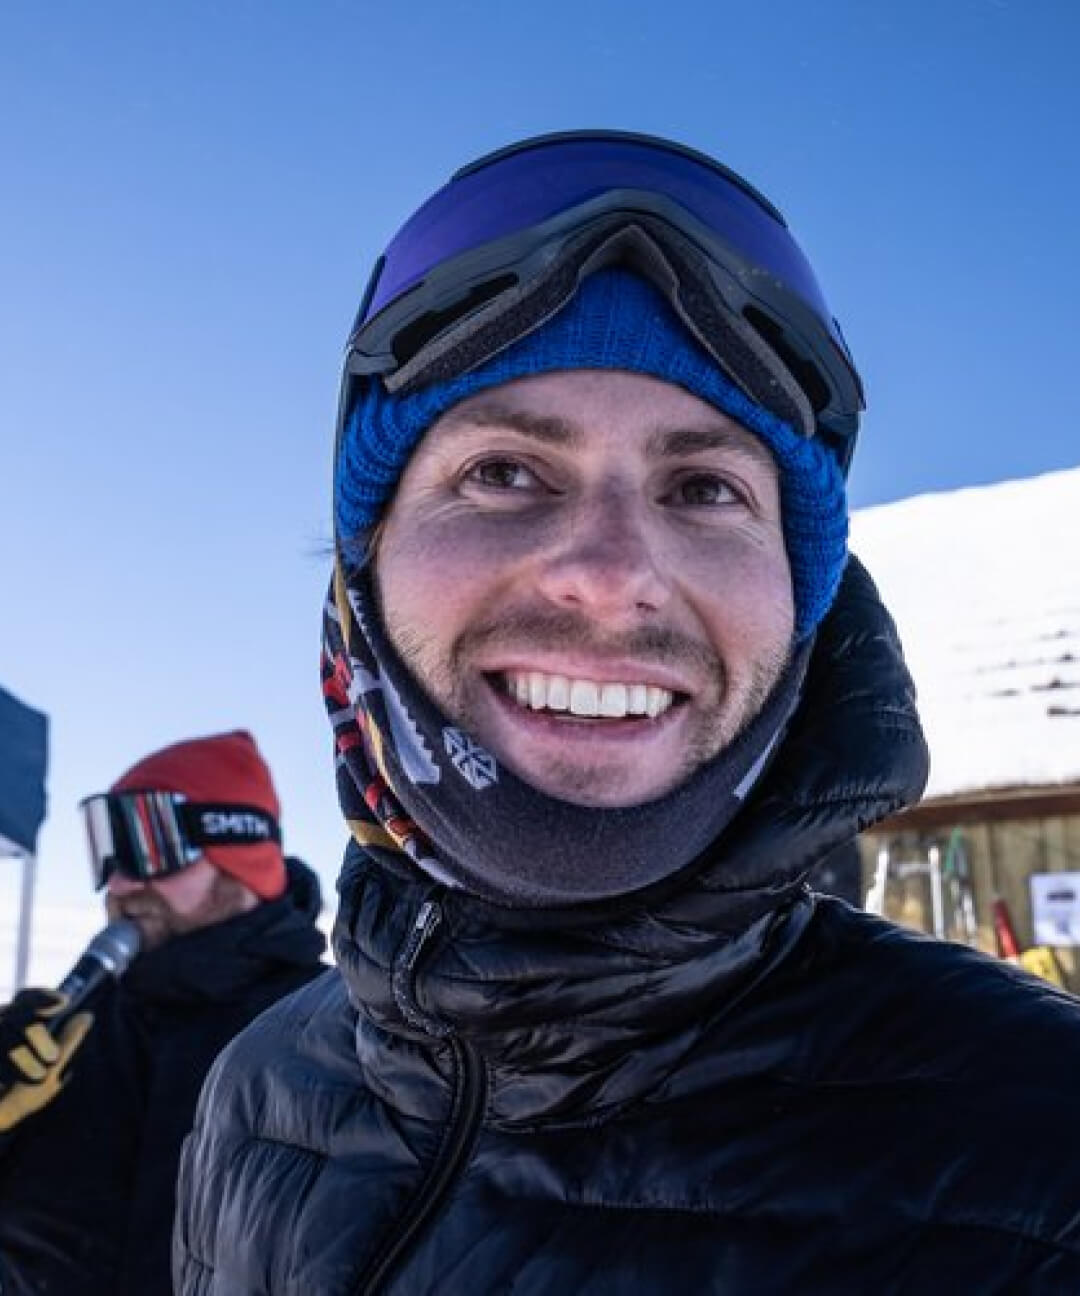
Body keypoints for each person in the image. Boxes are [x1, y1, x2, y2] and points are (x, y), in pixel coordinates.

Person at [175, 133, 1080, 1293]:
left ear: (802, 602)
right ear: (367, 563)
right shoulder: (258, 1094)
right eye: (504, 472)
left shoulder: (1044, 1164)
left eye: (706, 489)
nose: (608, 573)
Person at [0, 729, 327, 1295]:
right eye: (106, 849)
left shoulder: (335, 1039)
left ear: (238, 849)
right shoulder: (70, 1033)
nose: (121, 884)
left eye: (148, 845)